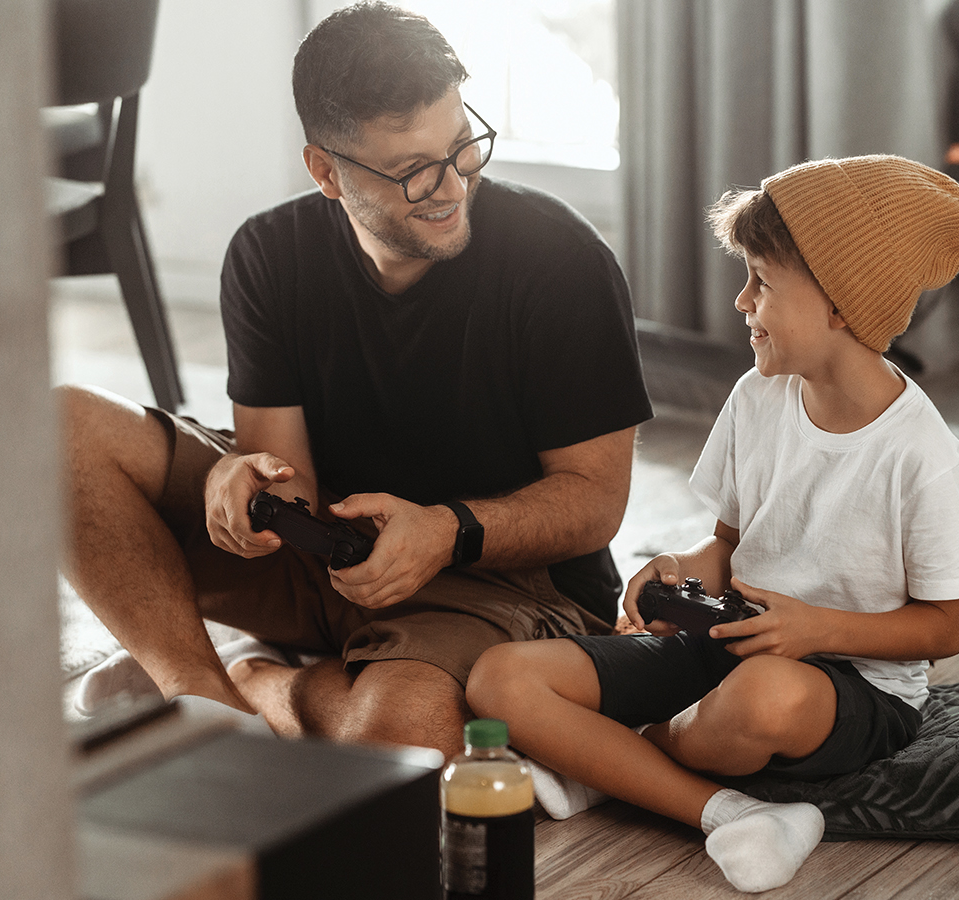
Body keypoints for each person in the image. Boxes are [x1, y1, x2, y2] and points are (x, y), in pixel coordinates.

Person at [61, 1, 651, 761]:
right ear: (325, 172)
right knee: (55, 427)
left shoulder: (561, 261)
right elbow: (290, 487)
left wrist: (446, 530)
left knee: (402, 743)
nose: (451, 185)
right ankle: (193, 693)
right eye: (411, 172)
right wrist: (245, 483)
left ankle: (255, 685)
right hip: (325, 552)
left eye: (462, 146)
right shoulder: (269, 253)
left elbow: (596, 502)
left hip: (498, 579)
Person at [468, 154, 959, 892]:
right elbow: (730, 548)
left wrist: (816, 630)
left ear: (841, 305)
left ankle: (613, 762)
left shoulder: (925, 458)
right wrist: (679, 569)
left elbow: (945, 629)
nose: (742, 301)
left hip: (850, 683)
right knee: (501, 680)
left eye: (763, 283)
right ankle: (731, 810)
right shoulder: (757, 396)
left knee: (764, 697)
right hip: (732, 637)